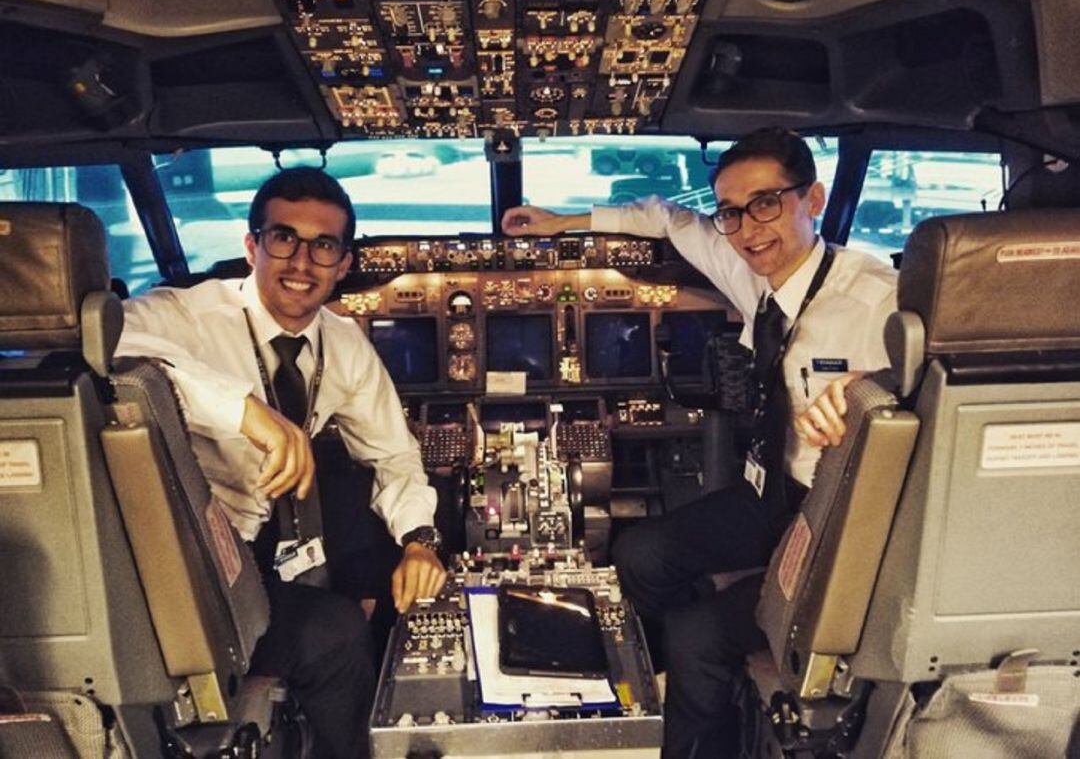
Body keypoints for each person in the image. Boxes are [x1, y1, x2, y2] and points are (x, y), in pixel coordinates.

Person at [502, 128, 897, 757]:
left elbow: (941, 372)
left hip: (838, 521)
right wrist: (560, 221)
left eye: (767, 203)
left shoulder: (878, 300)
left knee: (696, 635)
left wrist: (871, 385)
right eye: (733, 212)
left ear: (814, 199)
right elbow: (666, 217)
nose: (747, 228)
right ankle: (686, 662)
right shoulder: (752, 269)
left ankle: (703, 708)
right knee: (641, 553)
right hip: (769, 494)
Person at [118, 167, 447, 759]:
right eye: (283, 238)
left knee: (374, 557)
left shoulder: (343, 344)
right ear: (251, 246)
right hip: (175, 564)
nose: (301, 262)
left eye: (323, 246)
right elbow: (101, 337)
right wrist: (239, 408)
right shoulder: (187, 316)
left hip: (255, 545)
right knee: (337, 633)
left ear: (343, 264)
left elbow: (394, 454)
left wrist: (421, 540)